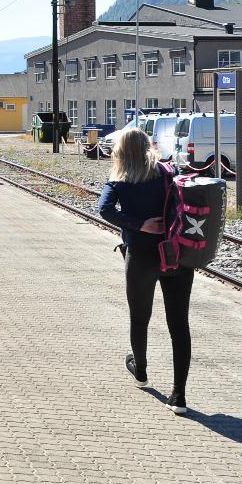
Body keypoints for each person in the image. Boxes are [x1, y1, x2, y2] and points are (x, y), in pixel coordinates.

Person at [97, 129, 193, 416]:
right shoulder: (168, 172)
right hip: (177, 256)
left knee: (140, 319)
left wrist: (138, 224)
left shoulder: (119, 180)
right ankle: (179, 396)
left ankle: (141, 372)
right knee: (179, 326)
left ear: (121, 152)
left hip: (141, 257)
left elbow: (104, 210)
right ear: (149, 147)